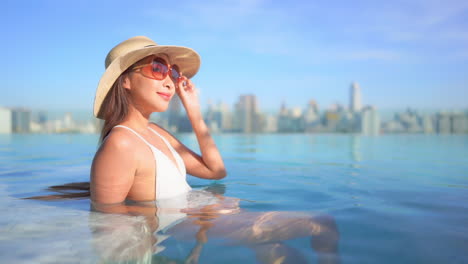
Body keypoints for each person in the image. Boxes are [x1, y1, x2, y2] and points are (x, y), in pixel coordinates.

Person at [90, 36, 227, 206]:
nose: (170, 83)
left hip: (197, 221)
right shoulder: (121, 144)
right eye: (157, 67)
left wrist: (193, 111)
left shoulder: (156, 132)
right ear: (125, 79)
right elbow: (108, 223)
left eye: (173, 73)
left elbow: (216, 171)